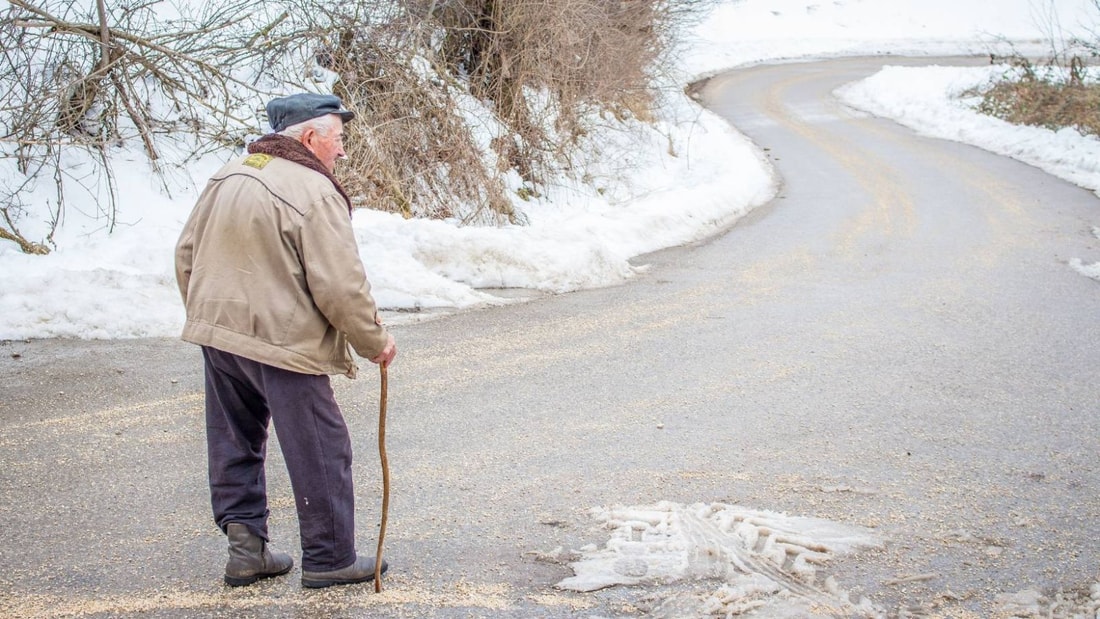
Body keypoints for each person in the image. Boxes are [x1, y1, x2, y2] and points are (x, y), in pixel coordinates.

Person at [174, 92, 397, 589]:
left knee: (235, 440)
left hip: (220, 332)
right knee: (321, 446)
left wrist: (208, 314)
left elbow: (186, 253)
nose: (341, 152)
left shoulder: (228, 174)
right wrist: (373, 340)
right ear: (311, 136)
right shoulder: (314, 191)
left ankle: (247, 551)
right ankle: (331, 558)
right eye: (338, 139)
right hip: (281, 340)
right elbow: (340, 285)